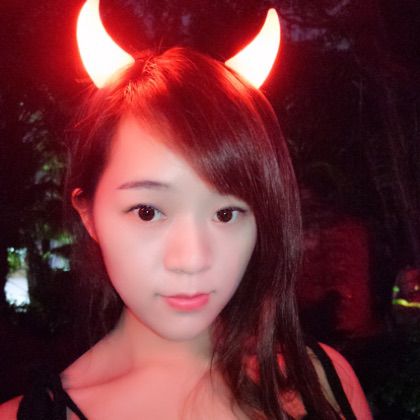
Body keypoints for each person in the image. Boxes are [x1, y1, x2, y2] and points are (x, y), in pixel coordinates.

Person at [0, 47, 372, 419]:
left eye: (226, 214)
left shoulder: (321, 380)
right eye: (147, 212)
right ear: (89, 215)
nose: (192, 259)